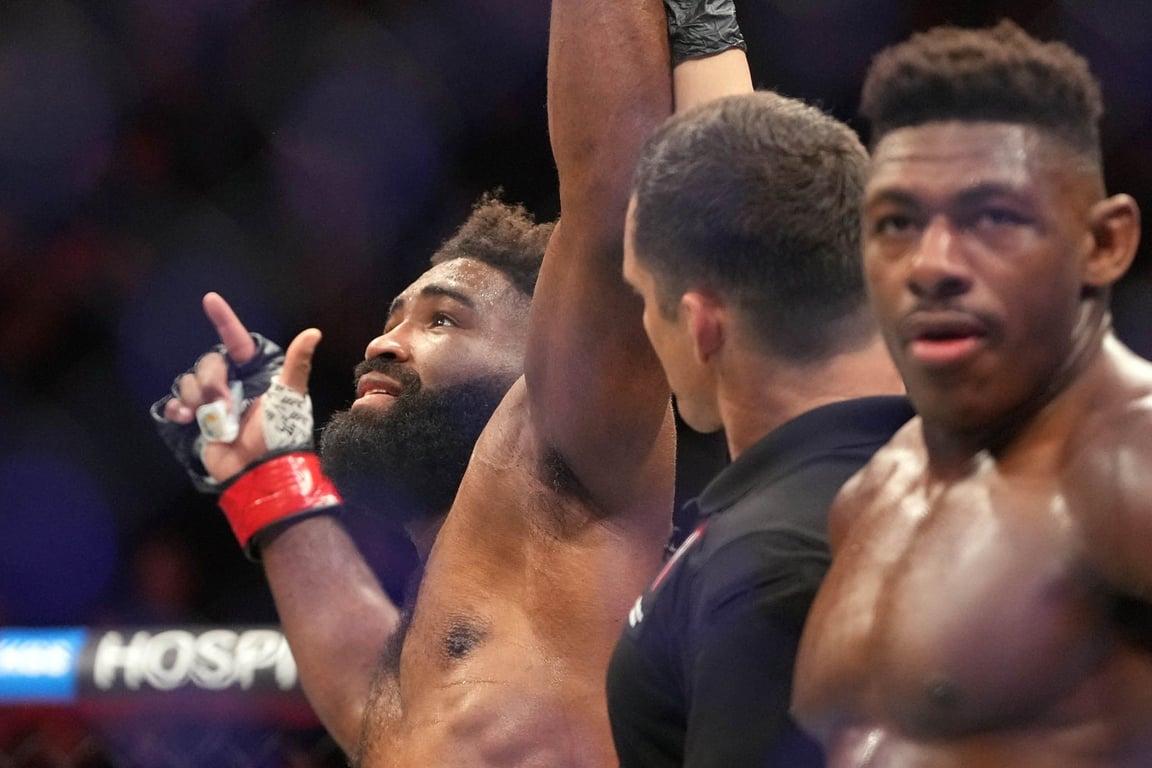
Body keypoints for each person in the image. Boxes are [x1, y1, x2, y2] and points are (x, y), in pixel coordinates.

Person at [152, 0, 675, 764]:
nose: (383, 343)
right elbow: (379, 716)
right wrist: (269, 480)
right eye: (395, 316)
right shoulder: (463, 600)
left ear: (552, 355)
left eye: (442, 320)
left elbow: (614, 189)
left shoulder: (580, 450)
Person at [792, 21, 1151, 766]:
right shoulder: (872, 493)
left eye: (992, 217)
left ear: (1104, 243)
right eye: (896, 222)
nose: (932, 265)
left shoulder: (1131, 463)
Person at [606, 3, 911, 765]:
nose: (645, 327)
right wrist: (700, 25)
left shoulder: (771, 566)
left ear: (702, 326)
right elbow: (752, 199)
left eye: (645, 299)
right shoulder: (984, 458)